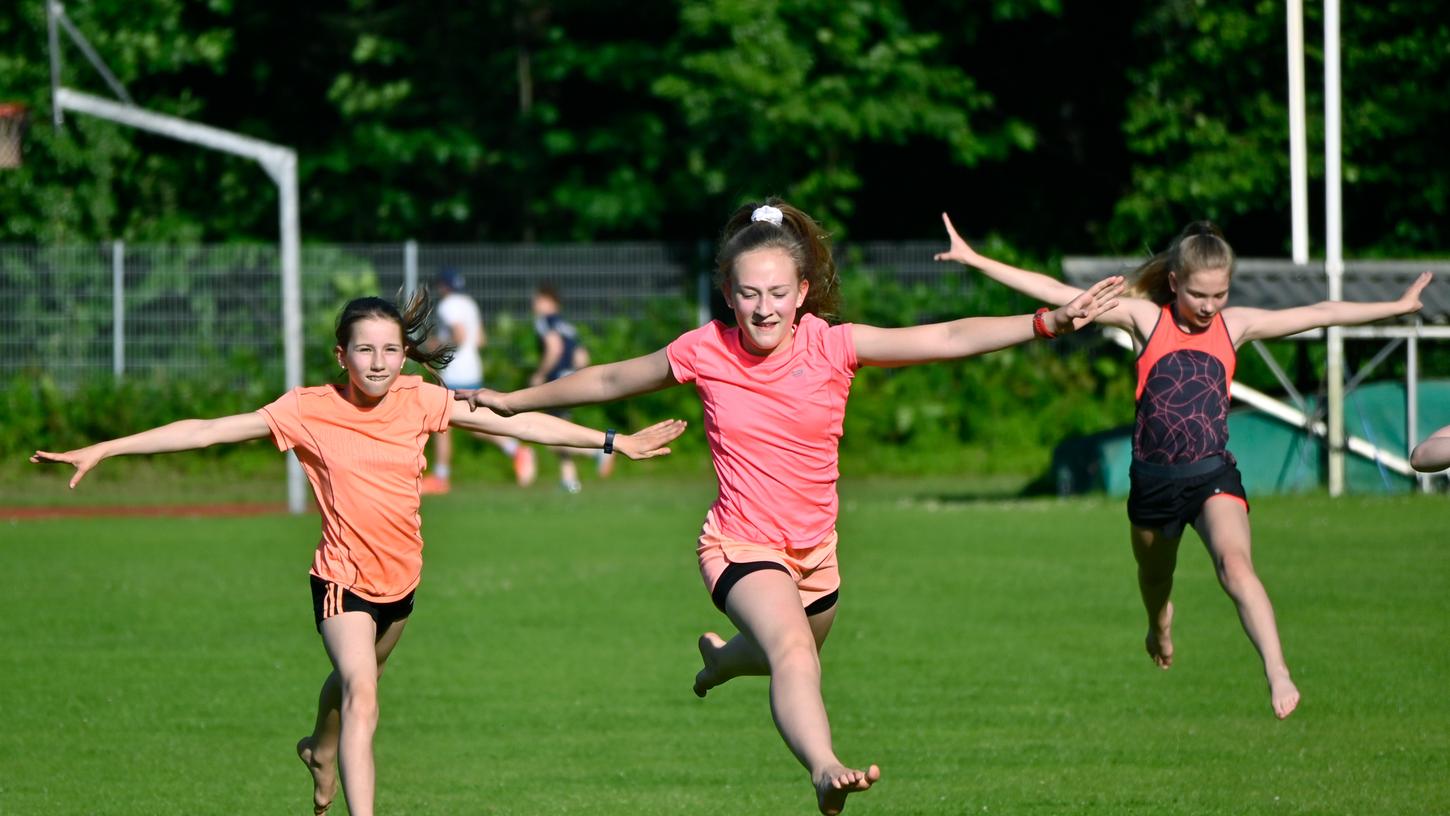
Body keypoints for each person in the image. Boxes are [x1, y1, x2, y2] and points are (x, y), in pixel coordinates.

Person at [461, 199, 1123, 814]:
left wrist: (1046, 322)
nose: (764, 307)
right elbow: (609, 378)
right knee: (795, 655)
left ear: (803, 294)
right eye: (748, 294)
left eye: (778, 293)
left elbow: (946, 338)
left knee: (788, 649)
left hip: (817, 555)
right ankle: (824, 769)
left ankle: (722, 661)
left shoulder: (835, 345)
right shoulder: (705, 351)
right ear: (728, 294)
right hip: (741, 547)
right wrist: (516, 401)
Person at [30, 293, 686, 816]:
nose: (378, 362)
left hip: (401, 585)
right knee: (364, 696)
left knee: (352, 686)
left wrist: (612, 442)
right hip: (340, 582)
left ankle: (319, 749)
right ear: (340, 354)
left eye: (390, 350)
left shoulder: (419, 399)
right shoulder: (307, 410)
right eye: (365, 350)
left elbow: (511, 420)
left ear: (405, 355)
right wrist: (108, 448)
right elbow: (206, 430)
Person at [935, 214, 1433, 720]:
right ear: (1174, 283)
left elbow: (1321, 311)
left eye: (1220, 295)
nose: (1210, 307)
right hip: (1152, 482)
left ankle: (1277, 669)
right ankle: (1160, 625)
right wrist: (976, 259)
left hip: (1212, 476)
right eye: (1199, 295)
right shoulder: (1145, 320)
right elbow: (1055, 289)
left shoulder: (1235, 326)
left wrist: (1396, 306)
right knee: (1155, 581)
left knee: (1236, 567)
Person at [421, 267, 537, 493]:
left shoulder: (448, 305)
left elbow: (460, 336)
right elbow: (481, 339)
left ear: (444, 287)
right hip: (472, 368)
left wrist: (432, 347)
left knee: (440, 423)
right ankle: (517, 450)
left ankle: (441, 477)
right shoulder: (470, 304)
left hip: (455, 372)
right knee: (472, 424)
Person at [530, 283, 614, 492]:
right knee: (560, 430)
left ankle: (598, 451)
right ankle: (569, 481)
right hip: (570, 380)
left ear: (547, 300)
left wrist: (540, 374)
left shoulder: (544, 322)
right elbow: (582, 357)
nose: (534, 304)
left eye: (536, 300)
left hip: (555, 380)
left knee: (549, 435)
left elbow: (554, 347)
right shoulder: (567, 326)